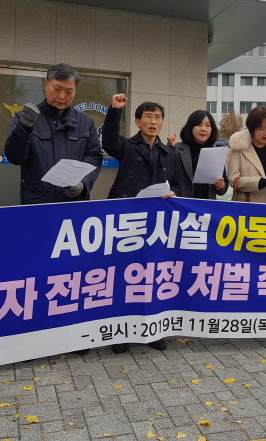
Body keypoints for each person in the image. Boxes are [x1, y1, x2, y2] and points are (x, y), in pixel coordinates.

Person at [102, 93, 180, 353]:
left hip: (155, 222)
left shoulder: (169, 152)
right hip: (126, 218)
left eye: (158, 117)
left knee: (152, 275)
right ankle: (120, 333)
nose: (153, 121)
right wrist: (115, 110)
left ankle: (151, 331)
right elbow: (108, 141)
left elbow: (177, 184)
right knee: (123, 275)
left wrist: (173, 194)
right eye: (148, 117)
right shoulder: (127, 146)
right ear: (138, 122)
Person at [4, 63, 103, 205]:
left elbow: (94, 157)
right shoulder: (24, 117)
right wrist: (24, 127)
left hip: (73, 203)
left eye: (69, 92)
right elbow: (15, 157)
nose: (62, 96)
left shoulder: (86, 122)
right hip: (37, 202)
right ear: (46, 84)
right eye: (57, 89)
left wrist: (83, 183)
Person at [175, 110, 228, 199]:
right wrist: (170, 147)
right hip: (183, 204)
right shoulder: (177, 149)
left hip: (206, 205)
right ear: (190, 127)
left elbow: (224, 184)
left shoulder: (215, 152)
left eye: (208, 125)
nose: (203, 129)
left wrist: (221, 186)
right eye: (199, 125)